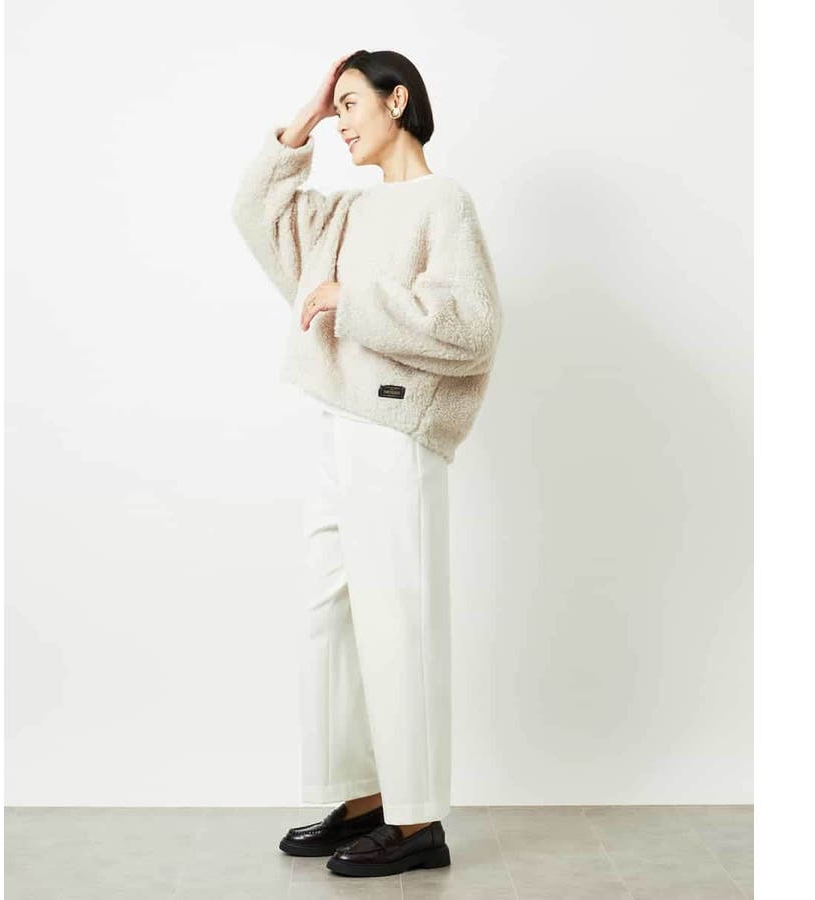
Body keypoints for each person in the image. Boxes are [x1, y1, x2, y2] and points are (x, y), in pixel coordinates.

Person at [231, 49, 503, 878]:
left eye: (352, 105)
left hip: (397, 430)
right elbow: (255, 212)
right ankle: (363, 798)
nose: (342, 123)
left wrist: (353, 302)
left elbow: (471, 327)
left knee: (398, 620)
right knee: (334, 616)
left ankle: (417, 821)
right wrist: (305, 119)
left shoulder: (444, 202)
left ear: (398, 100)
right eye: (337, 107)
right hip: (338, 422)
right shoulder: (347, 212)